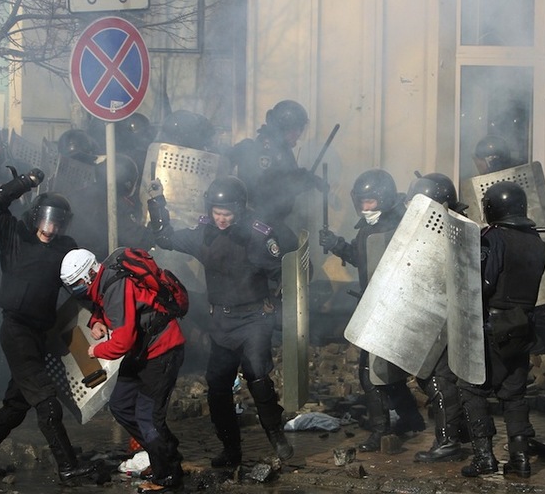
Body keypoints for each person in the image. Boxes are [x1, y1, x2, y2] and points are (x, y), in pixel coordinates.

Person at [0, 168, 96, 482]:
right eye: (47, 219)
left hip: (40, 332)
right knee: (47, 402)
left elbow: (79, 286)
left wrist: (99, 317)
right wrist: (26, 182)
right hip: (16, 329)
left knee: (15, 406)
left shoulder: (66, 247)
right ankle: (68, 465)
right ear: (36, 216)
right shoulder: (15, 235)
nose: (51, 228)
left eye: (58, 222)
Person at [150, 175, 294, 466]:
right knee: (217, 387)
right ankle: (231, 450)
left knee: (258, 377)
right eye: (216, 213)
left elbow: (286, 272)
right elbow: (164, 237)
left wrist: (276, 304)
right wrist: (157, 203)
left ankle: (276, 434)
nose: (221, 220)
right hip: (221, 324)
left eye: (227, 214)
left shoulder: (257, 235)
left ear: (239, 210)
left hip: (254, 318)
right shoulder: (204, 234)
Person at [60, 248, 187, 493]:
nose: (76, 291)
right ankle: (164, 451)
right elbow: (104, 307)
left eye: (76, 285)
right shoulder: (104, 280)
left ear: (88, 275)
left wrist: (96, 351)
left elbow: (122, 342)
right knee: (120, 404)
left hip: (162, 350)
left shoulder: (115, 286)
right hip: (143, 351)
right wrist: (96, 321)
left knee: (148, 417)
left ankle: (167, 476)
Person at [318, 169, 426, 452]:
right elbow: (361, 258)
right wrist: (338, 246)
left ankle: (381, 430)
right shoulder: (367, 228)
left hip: (394, 308)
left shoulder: (401, 227)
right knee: (383, 370)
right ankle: (411, 418)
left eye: (371, 202)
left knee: (371, 374)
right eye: (362, 202)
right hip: (373, 308)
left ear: (385, 199)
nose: (365, 208)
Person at [458, 181, 545, 479]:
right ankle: (520, 460)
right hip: (524, 325)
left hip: (493, 325)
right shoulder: (537, 241)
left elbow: (484, 284)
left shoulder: (494, 238)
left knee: (471, 388)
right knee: (514, 394)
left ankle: (484, 457)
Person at [403, 173, 469, 463]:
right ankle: (460, 432)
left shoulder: (452, 233)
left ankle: (448, 442)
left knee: (437, 379)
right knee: (435, 377)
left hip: (444, 319)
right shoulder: (446, 228)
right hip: (436, 316)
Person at [229, 99, 327, 229]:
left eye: (300, 129)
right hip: (259, 222)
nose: (298, 134)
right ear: (281, 128)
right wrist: (303, 180)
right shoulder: (266, 150)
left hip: (272, 220)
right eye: (294, 129)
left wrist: (310, 178)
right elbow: (271, 184)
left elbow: (285, 173)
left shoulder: (282, 148)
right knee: (290, 244)